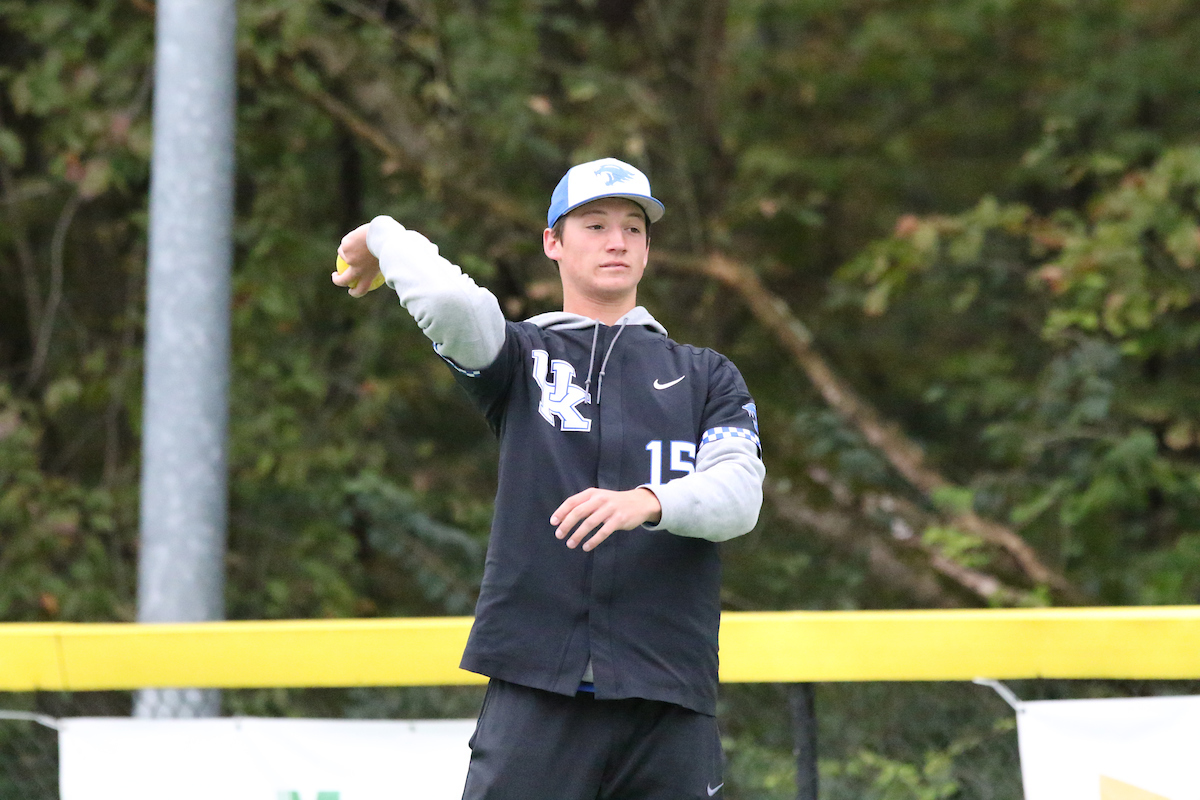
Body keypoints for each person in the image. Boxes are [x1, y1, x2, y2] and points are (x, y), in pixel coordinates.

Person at [334, 157, 765, 800]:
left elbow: (740, 497)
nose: (617, 241)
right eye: (593, 225)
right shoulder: (517, 356)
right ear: (552, 244)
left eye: (633, 228)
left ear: (648, 249)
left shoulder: (707, 376)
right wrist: (382, 235)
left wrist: (649, 501)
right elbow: (451, 300)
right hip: (537, 694)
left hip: (667, 699)